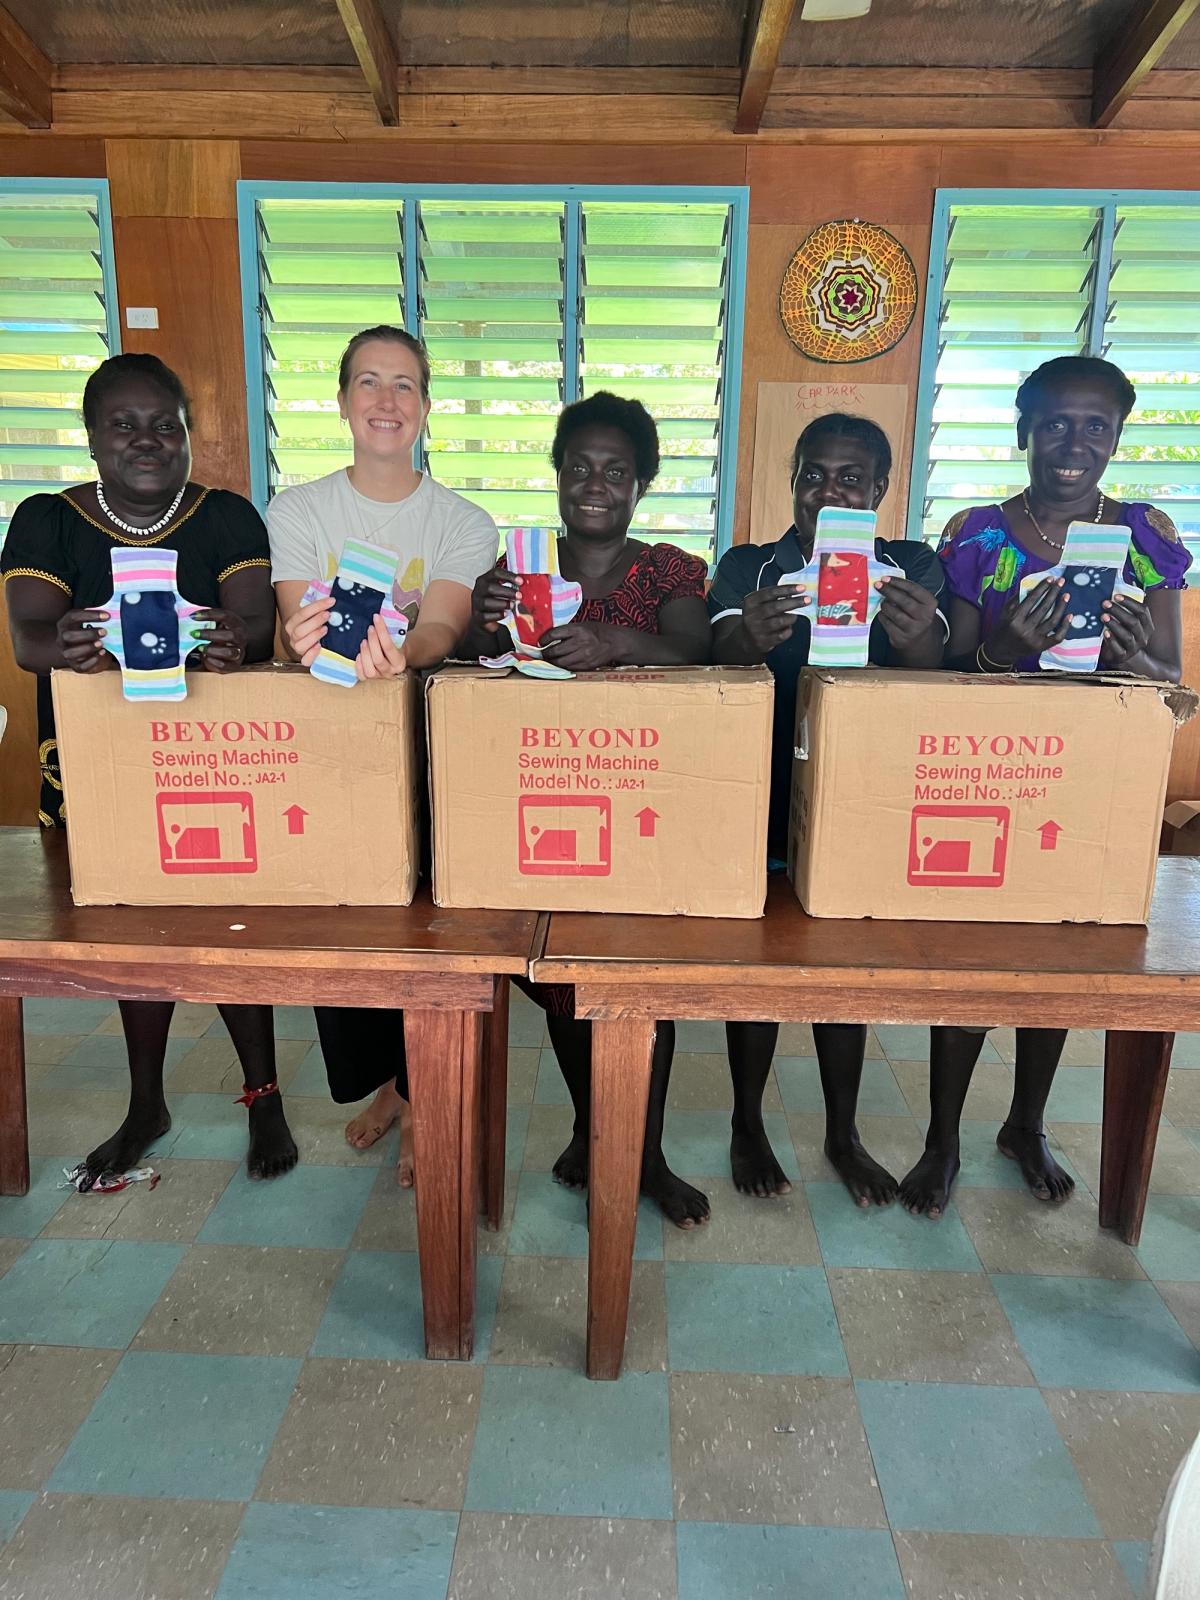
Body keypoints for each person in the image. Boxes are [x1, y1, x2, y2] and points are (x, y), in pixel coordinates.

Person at [904, 354, 1192, 1220]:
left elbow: (1173, 680)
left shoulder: (1145, 534)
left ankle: (1024, 1125)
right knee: (970, 963)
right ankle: (943, 1139)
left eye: (1095, 426)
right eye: (1057, 424)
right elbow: (949, 666)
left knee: (1062, 962)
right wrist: (1004, 648)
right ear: (1024, 430)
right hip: (990, 773)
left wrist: (1132, 652)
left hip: (1094, 780)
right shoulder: (977, 533)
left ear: (1116, 435)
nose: (1075, 443)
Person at [1, 353, 297, 1182]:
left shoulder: (226, 516)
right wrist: (61, 645)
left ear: (188, 435)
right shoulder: (46, 520)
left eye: (165, 425)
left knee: (231, 927)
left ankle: (263, 1093)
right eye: (124, 425)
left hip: (211, 757)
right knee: (131, 934)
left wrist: (240, 644)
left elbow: (257, 631)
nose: (147, 441)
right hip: (98, 764)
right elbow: (29, 641)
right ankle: (145, 1104)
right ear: (93, 437)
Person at [462, 390, 713, 1227]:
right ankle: (592, 1123)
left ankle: (642, 1154)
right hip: (542, 806)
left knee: (645, 983)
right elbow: (476, 679)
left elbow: (695, 652)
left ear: (641, 481)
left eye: (616, 471)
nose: (595, 485)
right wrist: (483, 625)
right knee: (562, 982)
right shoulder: (518, 566)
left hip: (646, 808)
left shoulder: (672, 570)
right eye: (579, 468)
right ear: (558, 475)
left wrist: (615, 644)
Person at [270, 324, 499, 1184]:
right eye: (368, 382)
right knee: (346, 932)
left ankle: (433, 1092)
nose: (386, 401)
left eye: (404, 385)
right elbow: (304, 624)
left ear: (427, 407)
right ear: (341, 403)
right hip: (327, 752)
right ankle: (397, 1085)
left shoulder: (463, 522)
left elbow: (441, 623)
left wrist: (407, 650)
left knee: (429, 935)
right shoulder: (297, 511)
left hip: (428, 745)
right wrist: (305, 638)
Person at [710, 413, 946, 1206]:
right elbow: (719, 656)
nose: (830, 490)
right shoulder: (750, 564)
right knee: (758, 968)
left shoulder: (910, 564)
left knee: (842, 970)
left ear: (879, 490)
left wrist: (910, 631)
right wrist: (750, 632)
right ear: (794, 481)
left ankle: (842, 1134)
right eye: (814, 474)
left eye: (851, 478)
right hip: (763, 793)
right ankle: (747, 1120)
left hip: (863, 799)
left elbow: (933, 662)